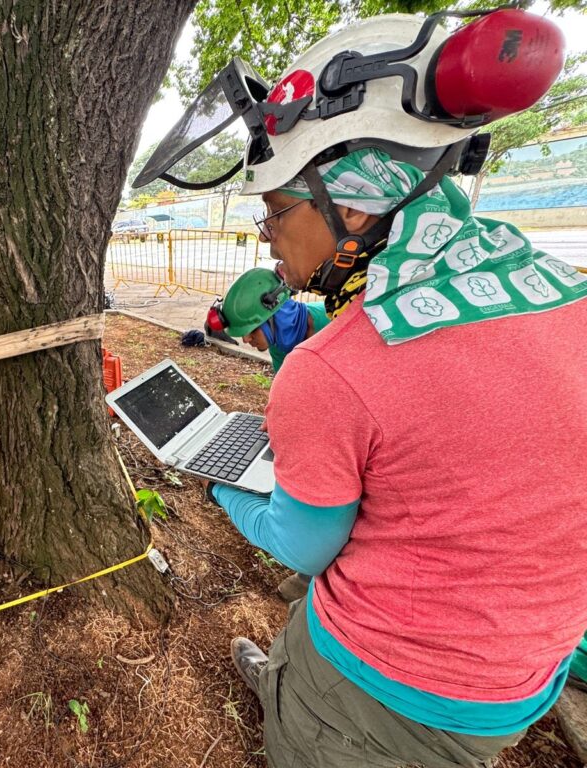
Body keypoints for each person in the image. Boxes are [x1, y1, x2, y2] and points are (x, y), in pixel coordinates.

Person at [134, 8, 587, 767]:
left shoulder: (335, 365)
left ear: (350, 205)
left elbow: (303, 545)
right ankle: (282, 675)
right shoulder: (565, 293)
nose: (267, 236)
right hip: (525, 672)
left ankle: (295, 705)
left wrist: (220, 488)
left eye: (275, 211)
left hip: (391, 698)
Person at [213, 268, 332, 602]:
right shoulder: (285, 339)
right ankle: (311, 575)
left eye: (250, 332)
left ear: (273, 317)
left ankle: (315, 575)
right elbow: (285, 391)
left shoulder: (334, 328)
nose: (247, 341)